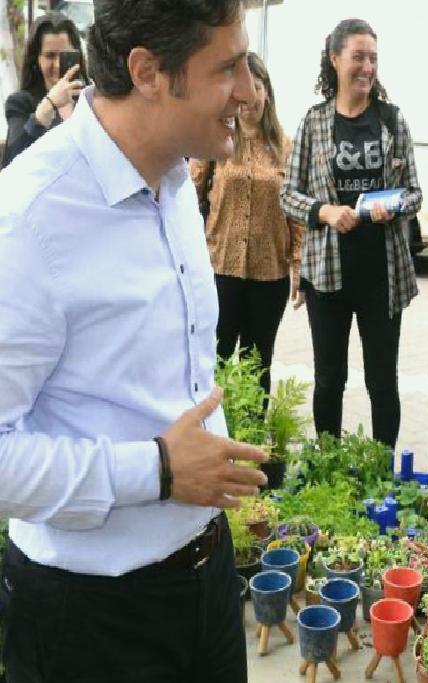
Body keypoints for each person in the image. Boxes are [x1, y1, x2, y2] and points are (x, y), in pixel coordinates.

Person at [0, 1, 268, 681]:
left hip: (207, 580)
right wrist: (158, 470)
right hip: (91, 623)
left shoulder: (174, 181)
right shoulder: (29, 217)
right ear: (148, 72)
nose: (248, 90)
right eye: (227, 68)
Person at [280, 18, 421, 448]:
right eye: (358, 57)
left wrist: (392, 207)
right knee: (329, 380)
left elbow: (414, 193)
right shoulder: (314, 122)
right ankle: (329, 464)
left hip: (383, 277)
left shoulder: (392, 121)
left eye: (373, 58)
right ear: (335, 59)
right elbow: (287, 194)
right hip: (328, 277)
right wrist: (324, 211)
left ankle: (382, 468)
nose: (367, 67)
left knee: (382, 381)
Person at [191, 52, 302, 401]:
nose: (251, 98)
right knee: (218, 357)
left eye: (258, 88)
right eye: (245, 89)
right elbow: (190, 194)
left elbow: (297, 214)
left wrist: (298, 266)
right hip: (221, 268)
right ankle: (213, 426)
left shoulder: (286, 148)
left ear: (267, 92)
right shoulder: (215, 141)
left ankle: (252, 432)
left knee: (258, 363)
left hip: (269, 275)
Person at [2, 12, 87, 167]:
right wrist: (47, 107)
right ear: (37, 59)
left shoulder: (91, 100)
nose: (57, 64)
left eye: (64, 55)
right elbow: (12, 162)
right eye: (50, 56)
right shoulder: (20, 103)